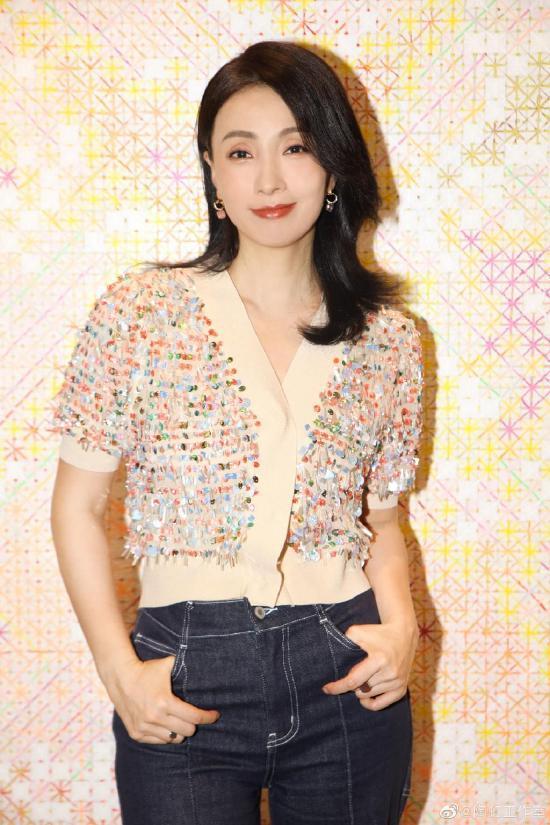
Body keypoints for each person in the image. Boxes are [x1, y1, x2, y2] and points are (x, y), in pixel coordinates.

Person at [49, 40, 423, 825]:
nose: (269, 180)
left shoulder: (387, 337)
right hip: (183, 674)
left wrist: (401, 631)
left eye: (297, 147)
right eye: (241, 152)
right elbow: (76, 506)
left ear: (334, 167)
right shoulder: (141, 312)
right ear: (212, 173)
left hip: (346, 672)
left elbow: (383, 520)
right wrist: (118, 672)